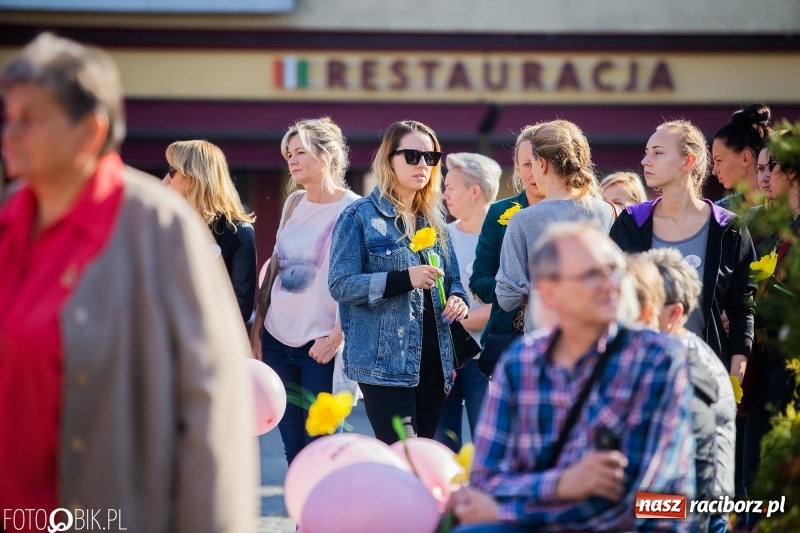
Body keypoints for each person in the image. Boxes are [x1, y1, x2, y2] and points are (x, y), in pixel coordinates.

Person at [0, 33, 257, 531]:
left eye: (29, 119)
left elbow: (211, 403)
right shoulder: (9, 220)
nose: (10, 134)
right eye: (9, 117)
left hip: (105, 516)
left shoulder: (158, 227)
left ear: (91, 131)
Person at [451, 223, 695, 532]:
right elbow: (487, 480)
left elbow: (640, 502)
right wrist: (562, 484)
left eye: (614, 270)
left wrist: (508, 512)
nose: (611, 285)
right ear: (550, 293)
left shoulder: (657, 359)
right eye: (593, 275)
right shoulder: (520, 363)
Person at [329, 120, 469, 444]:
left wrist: (457, 299)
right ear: (389, 159)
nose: (423, 164)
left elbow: (455, 282)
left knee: (419, 460)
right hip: (386, 365)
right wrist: (402, 279)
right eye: (412, 156)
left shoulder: (435, 221)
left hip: (436, 363)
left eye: (430, 157)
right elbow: (340, 285)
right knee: (403, 456)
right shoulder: (359, 217)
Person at [610, 119, 757, 380]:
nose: (645, 161)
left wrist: (736, 371)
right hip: (636, 375)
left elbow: (742, 306)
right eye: (646, 152)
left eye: (657, 152)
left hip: (706, 375)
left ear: (688, 161)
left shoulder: (728, 228)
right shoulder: (630, 222)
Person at [249, 117, 359, 465]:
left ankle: (326, 520)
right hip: (277, 339)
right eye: (288, 154)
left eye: (300, 153)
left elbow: (357, 277)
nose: (291, 161)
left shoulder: (353, 209)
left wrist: (336, 337)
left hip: (321, 346)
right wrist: (256, 330)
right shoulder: (293, 204)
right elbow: (274, 269)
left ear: (327, 156)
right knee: (294, 450)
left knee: (324, 449)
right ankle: (302, 522)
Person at [642, 248, 737, 533]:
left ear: (674, 313)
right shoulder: (663, 352)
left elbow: (699, 469)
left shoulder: (688, 365)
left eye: (644, 302)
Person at [495, 119, 617, 332]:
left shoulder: (523, 220)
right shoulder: (606, 211)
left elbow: (507, 298)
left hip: (544, 341)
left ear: (542, 164)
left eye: (531, 163)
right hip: (597, 336)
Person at [741, 130, 800, 517]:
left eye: (770, 167)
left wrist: (768, 291)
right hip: (764, 366)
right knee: (752, 478)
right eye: (758, 168)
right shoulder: (772, 227)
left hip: (791, 369)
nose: (762, 177)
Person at [434, 152, 500, 452]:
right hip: (441, 360)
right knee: (442, 448)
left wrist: (459, 320)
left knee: (489, 447)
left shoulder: (506, 238)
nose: (443, 194)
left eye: (450, 186)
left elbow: (509, 301)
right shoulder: (440, 237)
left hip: (486, 362)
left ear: (475, 191)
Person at [469, 125, 544, 369]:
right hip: (510, 338)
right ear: (517, 168)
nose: (534, 173)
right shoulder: (500, 212)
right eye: (526, 164)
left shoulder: (576, 210)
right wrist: (515, 286)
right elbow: (478, 282)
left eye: (540, 162)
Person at [163, 139, 257, 323]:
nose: (165, 179)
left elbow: (239, 310)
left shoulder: (238, 232)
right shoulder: (164, 223)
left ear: (195, 176)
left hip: (203, 344)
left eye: (171, 170)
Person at [712, 104, 773, 210]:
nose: (714, 171)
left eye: (719, 160)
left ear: (745, 158)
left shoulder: (787, 207)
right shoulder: (720, 213)